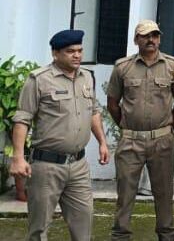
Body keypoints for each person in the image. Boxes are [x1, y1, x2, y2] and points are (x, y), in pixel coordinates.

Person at [10, 29, 110, 241]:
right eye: (70, 51)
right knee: (39, 229)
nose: (77, 55)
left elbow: (93, 112)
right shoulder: (39, 80)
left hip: (78, 165)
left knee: (83, 226)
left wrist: (102, 142)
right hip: (47, 166)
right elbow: (22, 119)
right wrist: (18, 157)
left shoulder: (86, 77)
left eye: (80, 50)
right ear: (55, 54)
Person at [106, 20, 174, 241]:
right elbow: (112, 102)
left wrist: (170, 127)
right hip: (130, 141)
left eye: (155, 35)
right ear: (136, 39)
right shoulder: (122, 67)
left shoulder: (173, 66)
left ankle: (167, 236)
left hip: (162, 141)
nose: (151, 40)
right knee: (125, 194)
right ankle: (120, 236)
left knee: (164, 194)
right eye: (145, 36)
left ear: (159, 38)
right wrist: (127, 125)